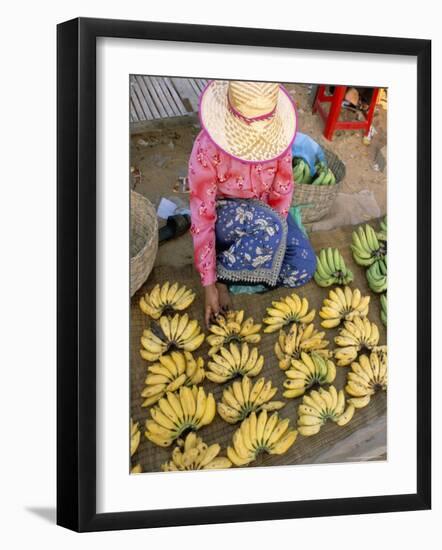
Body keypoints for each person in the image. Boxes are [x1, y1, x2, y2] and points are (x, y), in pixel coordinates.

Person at [188, 80, 317, 326]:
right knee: (269, 229)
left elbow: (281, 195)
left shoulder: (280, 144)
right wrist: (209, 284)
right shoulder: (206, 149)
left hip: (265, 216)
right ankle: (224, 277)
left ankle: (246, 266)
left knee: (303, 266)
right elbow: (202, 217)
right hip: (225, 217)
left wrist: (275, 247)